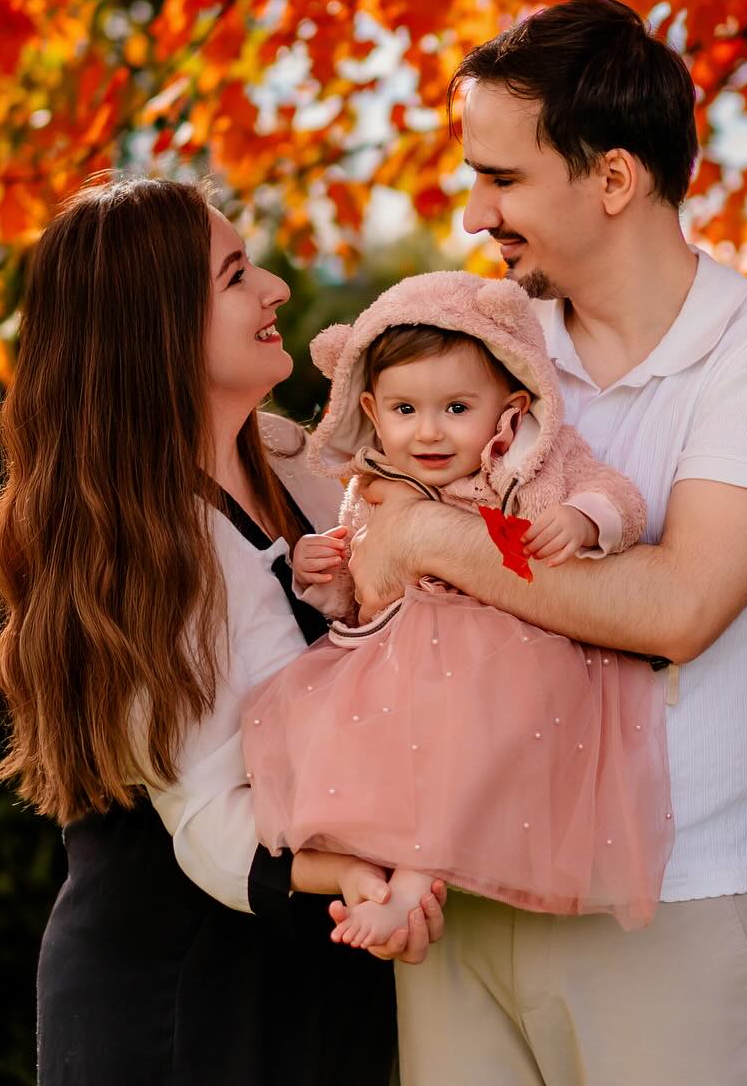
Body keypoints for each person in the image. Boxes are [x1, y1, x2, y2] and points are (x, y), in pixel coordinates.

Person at [345, 0, 747, 1085]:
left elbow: (676, 608)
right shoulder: (481, 344)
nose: (478, 210)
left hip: (664, 910)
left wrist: (433, 536)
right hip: (458, 901)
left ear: (615, 179)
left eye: (504, 179)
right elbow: (355, 515)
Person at [0, 177, 444, 1086]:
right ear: (156, 330)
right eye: (235, 276)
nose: (273, 288)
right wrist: (358, 873)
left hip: (323, 968)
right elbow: (211, 822)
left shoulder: (291, 462)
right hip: (183, 999)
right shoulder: (133, 547)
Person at [241, 270, 672, 947]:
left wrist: (584, 521)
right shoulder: (370, 485)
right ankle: (376, 872)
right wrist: (318, 574)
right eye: (405, 411)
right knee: (373, 757)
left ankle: (411, 883)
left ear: (509, 401)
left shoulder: (532, 458)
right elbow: (357, 592)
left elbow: (617, 494)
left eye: (456, 409)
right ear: (374, 412)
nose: (430, 433)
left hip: (502, 657)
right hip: (394, 661)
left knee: (463, 750)